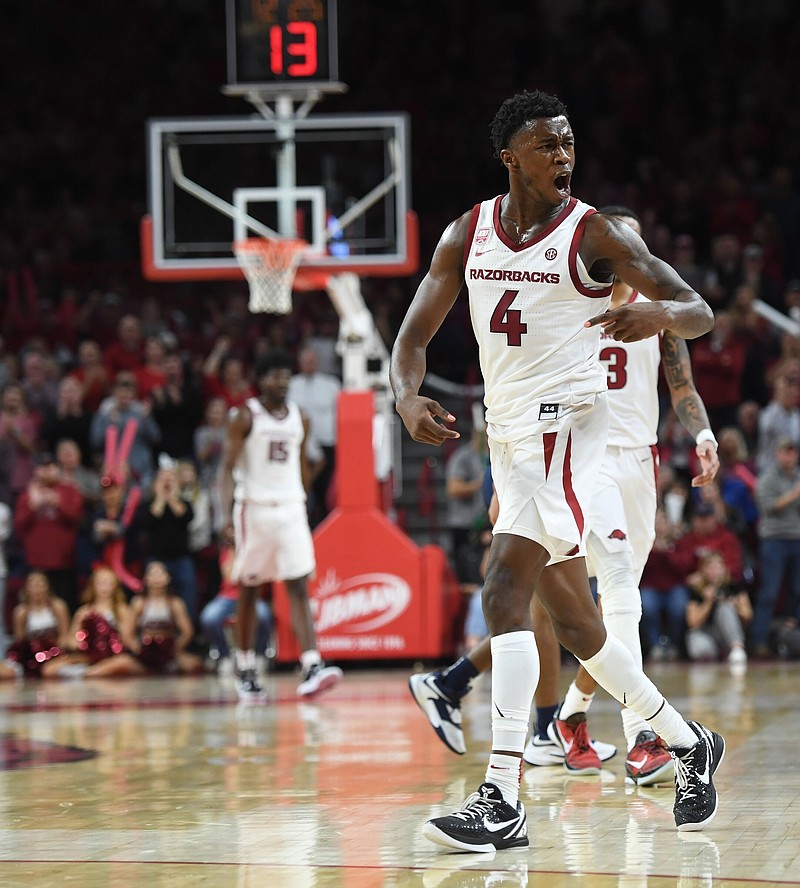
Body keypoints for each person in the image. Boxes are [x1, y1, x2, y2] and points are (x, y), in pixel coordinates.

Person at [389, 90, 722, 850]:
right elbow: (411, 337)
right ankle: (686, 739)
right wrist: (406, 399)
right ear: (511, 157)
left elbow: (698, 306)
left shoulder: (594, 234)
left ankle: (501, 796)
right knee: (577, 622)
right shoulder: (465, 234)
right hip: (507, 439)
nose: (564, 157)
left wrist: (660, 317)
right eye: (548, 146)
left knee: (504, 590)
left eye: (569, 144)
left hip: (570, 432)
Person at [219, 349, 342, 702]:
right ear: (260, 380)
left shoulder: (300, 418)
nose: (282, 381)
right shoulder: (244, 416)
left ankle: (311, 664)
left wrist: (303, 496)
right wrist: (226, 515)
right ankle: (245, 666)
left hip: (290, 508)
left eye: (285, 375)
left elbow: (304, 465)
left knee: (298, 584)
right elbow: (225, 469)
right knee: (249, 588)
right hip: (253, 509)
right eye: (274, 375)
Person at [13, 451, 84, 613]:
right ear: (36, 470)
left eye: (51, 466)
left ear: (57, 469)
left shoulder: (69, 490)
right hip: (36, 563)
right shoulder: (27, 495)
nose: (47, 471)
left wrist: (59, 503)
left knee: (66, 606)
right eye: (42, 467)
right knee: (37, 609)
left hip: (64, 561)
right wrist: (32, 506)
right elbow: (18, 527)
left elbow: (77, 518)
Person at [751, 435, 800, 657]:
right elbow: (767, 505)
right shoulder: (768, 478)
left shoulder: (797, 476)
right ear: (777, 454)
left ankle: (790, 640)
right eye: (785, 452)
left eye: (792, 452)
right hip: (774, 540)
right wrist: (793, 495)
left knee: (796, 591)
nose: (789, 456)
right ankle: (759, 641)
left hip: (796, 538)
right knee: (769, 592)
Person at [287, 345, 341, 526]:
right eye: (305, 360)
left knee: (327, 491)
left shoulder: (331, 384)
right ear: (300, 363)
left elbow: (340, 413)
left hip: (327, 444)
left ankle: (329, 526)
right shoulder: (291, 385)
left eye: (312, 360)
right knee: (302, 489)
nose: (309, 363)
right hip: (299, 445)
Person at [200, 545, 271, 673]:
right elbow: (230, 577)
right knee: (209, 618)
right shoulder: (227, 551)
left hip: (252, 596)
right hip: (228, 598)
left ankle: (260, 654)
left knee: (264, 616)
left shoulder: (257, 549)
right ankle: (225, 656)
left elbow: (261, 576)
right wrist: (234, 552)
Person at [128, 561, 204, 675]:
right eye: (153, 574)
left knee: (195, 664)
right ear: (146, 579)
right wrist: (138, 650)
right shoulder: (139, 603)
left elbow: (187, 632)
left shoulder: (175, 603)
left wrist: (175, 649)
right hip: (145, 651)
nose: (156, 578)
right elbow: (128, 633)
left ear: (168, 578)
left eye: (160, 574)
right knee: (122, 664)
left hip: (169, 651)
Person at [685, 551, 751, 668]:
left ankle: (737, 647)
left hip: (727, 632)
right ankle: (719, 654)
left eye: (718, 567)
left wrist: (735, 605)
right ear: (703, 570)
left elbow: (748, 615)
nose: (714, 571)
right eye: (710, 568)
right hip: (705, 633)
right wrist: (708, 602)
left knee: (724, 608)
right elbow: (693, 622)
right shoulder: (697, 590)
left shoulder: (733, 587)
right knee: (700, 649)